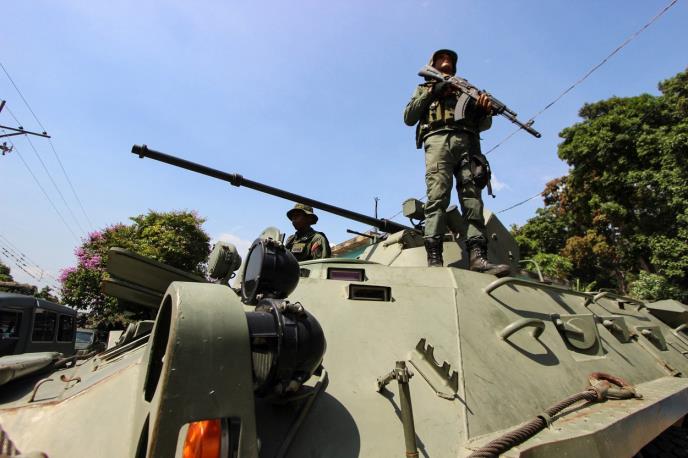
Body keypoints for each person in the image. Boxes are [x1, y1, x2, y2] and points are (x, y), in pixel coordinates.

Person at [403, 49, 509, 276]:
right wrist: (433, 92)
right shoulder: (424, 88)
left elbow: (483, 125)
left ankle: (478, 258)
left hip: (468, 143)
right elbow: (409, 117)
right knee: (437, 197)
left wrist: (483, 110)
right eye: (442, 58)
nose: (447, 61)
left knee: (472, 199)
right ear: (433, 64)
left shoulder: (467, 89)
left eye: (450, 59)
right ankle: (434, 258)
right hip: (438, 140)